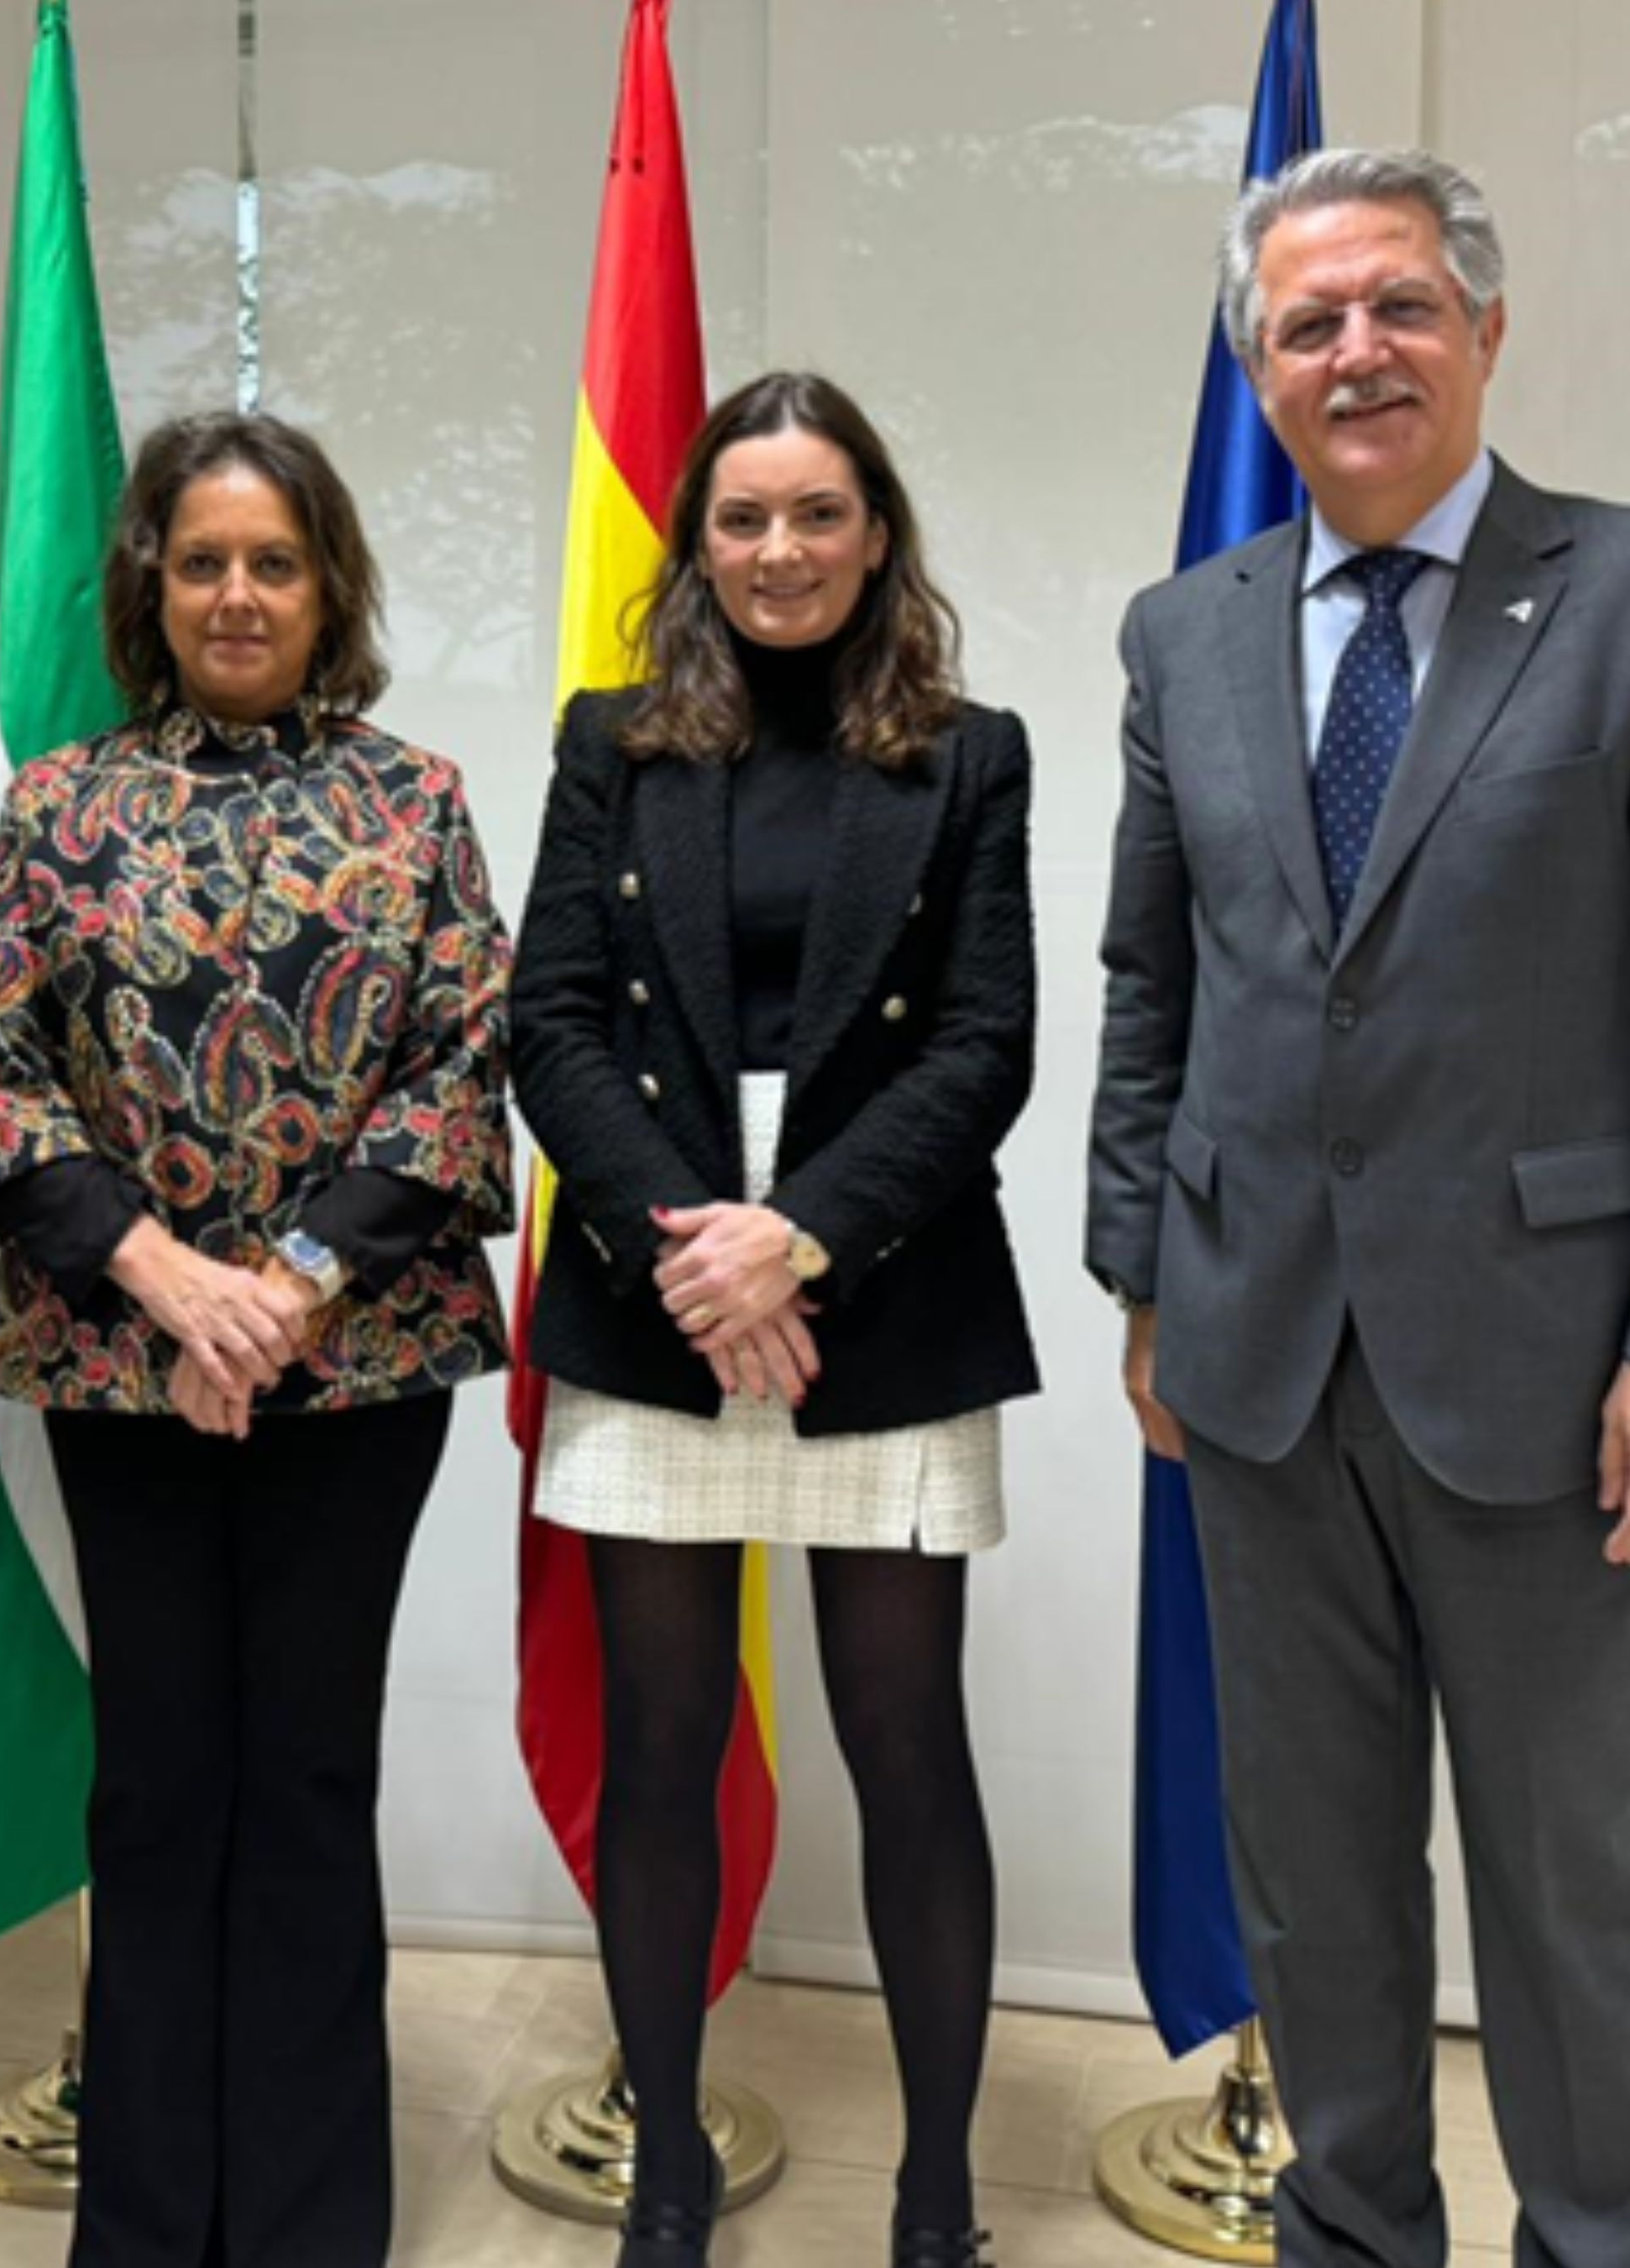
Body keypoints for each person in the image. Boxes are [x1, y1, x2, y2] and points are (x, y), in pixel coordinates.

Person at [1088, 147, 1630, 2268]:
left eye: (1401, 306)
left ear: (1486, 330)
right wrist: (1147, 1274)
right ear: (1261, 365)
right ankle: (1351, 2232)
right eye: (1308, 322)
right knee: (1312, 1877)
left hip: (1557, 1372)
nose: (1358, 350)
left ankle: (1601, 2241)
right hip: (1256, 1368)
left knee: (1571, 1879)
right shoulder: (1188, 633)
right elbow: (1162, 978)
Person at [0, 411, 514, 2268]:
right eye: (204, 561)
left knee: (308, 1778)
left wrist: (282, 1290)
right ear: (150, 586)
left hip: (357, 1369)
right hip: (123, 1369)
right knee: (161, 1776)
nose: (239, 593)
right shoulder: (62, 808)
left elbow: (459, 1071)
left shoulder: (414, 801)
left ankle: (306, 2223)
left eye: (274, 560)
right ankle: (147, 2223)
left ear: (327, 580)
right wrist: (168, 1282)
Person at [513, 370, 1040, 2268]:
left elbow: (986, 1045)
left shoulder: (971, 756)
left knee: (911, 1749)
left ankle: (938, 2190)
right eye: (742, 519)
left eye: (817, 514)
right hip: (656, 1283)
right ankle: (666, 2170)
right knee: (659, 1744)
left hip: (881, 1291)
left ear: (876, 531)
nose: (779, 552)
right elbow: (549, 1022)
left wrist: (798, 1241)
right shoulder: (612, 742)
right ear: (698, 544)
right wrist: (697, 1251)